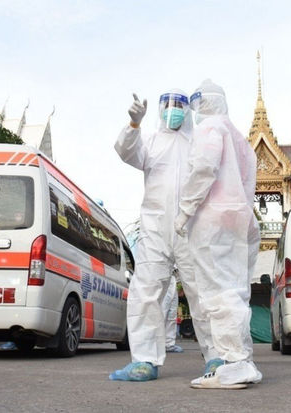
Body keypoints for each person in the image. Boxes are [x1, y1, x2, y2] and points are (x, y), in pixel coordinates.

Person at [174, 79, 262, 389]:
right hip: (240, 219)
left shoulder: (209, 128)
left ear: (202, 103)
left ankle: (234, 362)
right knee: (236, 291)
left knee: (218, 292)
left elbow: (204, 168)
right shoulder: (238, 137)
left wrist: (185, 210)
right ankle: (243, 360)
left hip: (213, 221)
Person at [109, 89, 196, 381]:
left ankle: (218, 358)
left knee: (202, 292)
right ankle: (145, 360)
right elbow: (126, 152)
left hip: (191, 227)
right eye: (168, 104)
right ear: (159, 110)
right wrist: (134, 124)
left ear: (188, 110)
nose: (173, 110)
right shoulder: (151, 141)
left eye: (179, 105)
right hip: (155, 229)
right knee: (145, 293)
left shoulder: (196, 143)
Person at [163, 270, 183, 353]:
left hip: (173, 280)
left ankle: (169, 344)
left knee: (172, 315)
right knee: (162, 314)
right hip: (162, 278)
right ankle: (157, 344)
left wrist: (180, 284)